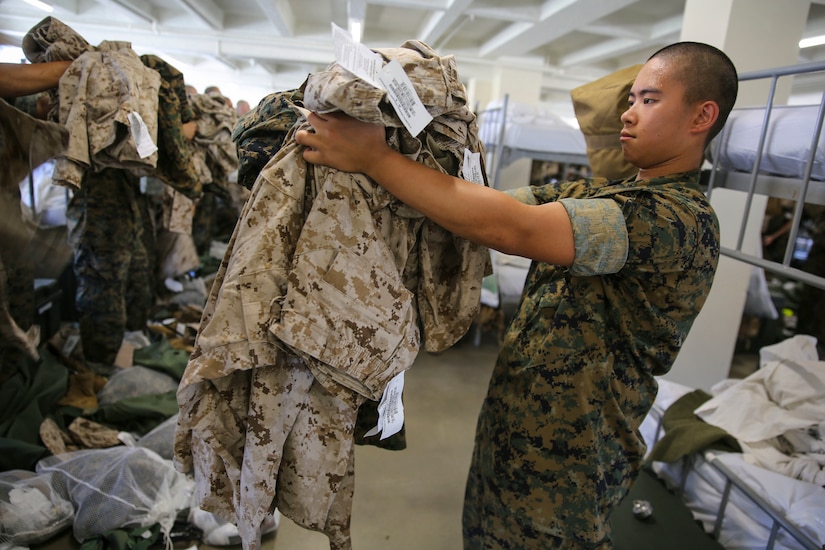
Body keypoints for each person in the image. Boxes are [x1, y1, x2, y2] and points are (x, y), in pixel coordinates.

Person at [295, 41, 737, 548]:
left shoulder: (677, 219)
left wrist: (373, 158)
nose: (628, 112)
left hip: (570, 464)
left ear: (702, 115)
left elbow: (514, 228)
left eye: (649, 100)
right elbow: (489, 205)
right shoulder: (600, 194)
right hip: (514, 434)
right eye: (631, 98)